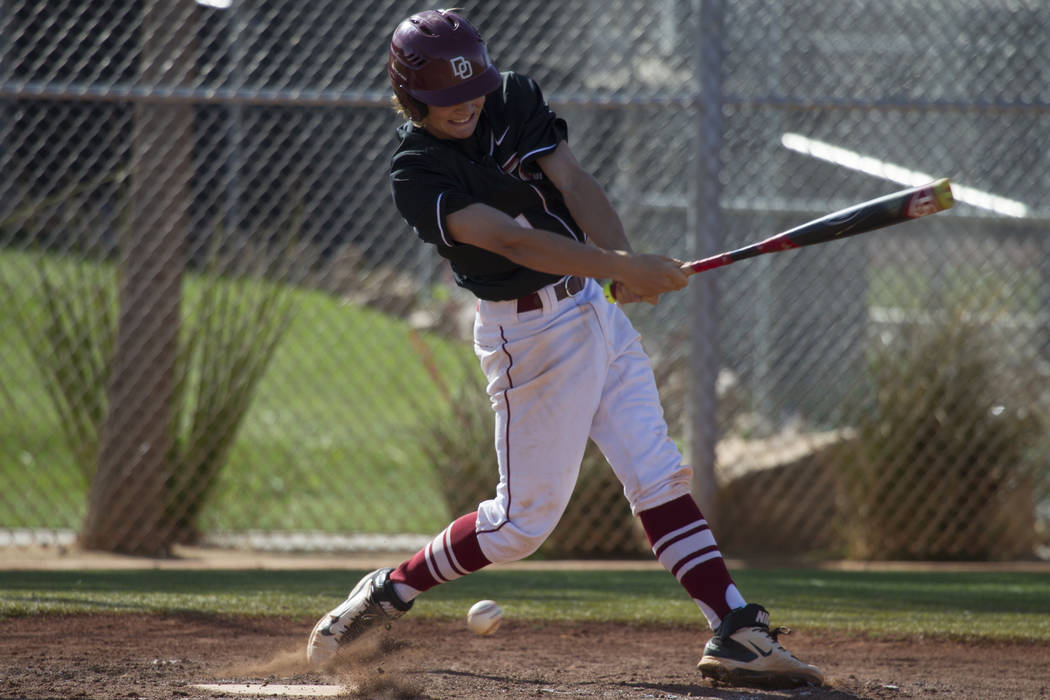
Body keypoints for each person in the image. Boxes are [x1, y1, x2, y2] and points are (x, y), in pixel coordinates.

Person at [306, 8, 824, 690]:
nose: (465, 105)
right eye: (443, 97)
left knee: (658, 475)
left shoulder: (513, 96)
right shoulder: (417, 175)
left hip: (591, 308)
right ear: (410, 97)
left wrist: (622, 265)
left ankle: (735, 629)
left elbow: (574, 185)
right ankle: (390, 591)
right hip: (529, 338)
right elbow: (514, 241)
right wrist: (616, 267)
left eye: (472, 89)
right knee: (521, 526)